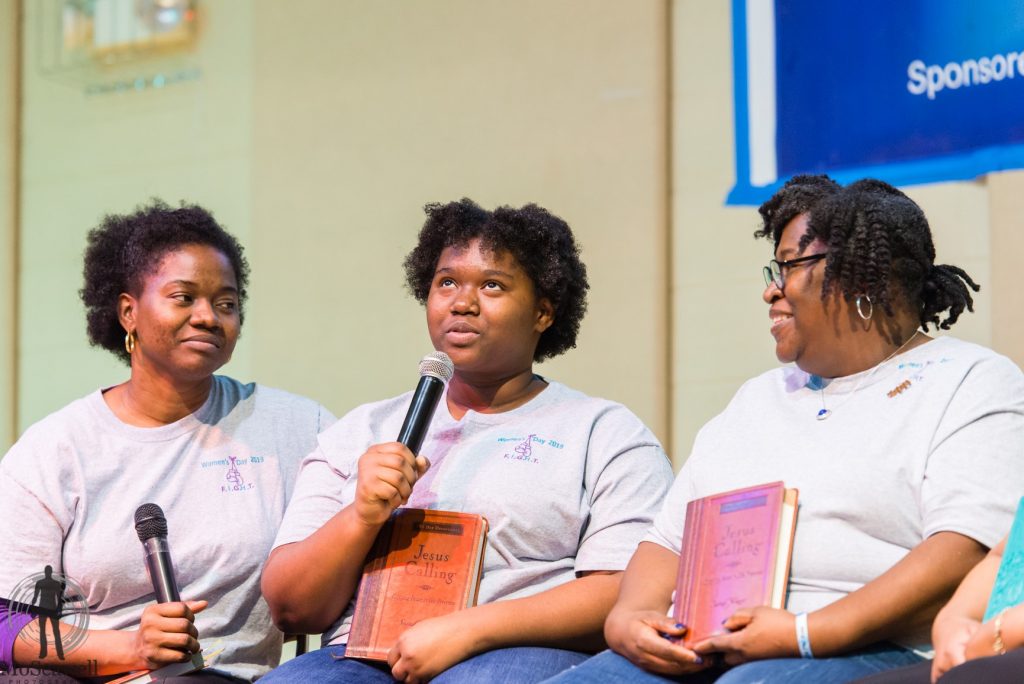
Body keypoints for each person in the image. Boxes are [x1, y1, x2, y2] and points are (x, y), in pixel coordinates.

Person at [543, 176, 1024, 684]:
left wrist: (808, 631)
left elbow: (964, 547)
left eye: (790, 267)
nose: (770, 289)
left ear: (863, 277)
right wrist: (628, 617)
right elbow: (667, 542)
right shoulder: (757, 398)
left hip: (874, 647)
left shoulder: (970, 379)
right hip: (705, 642)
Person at [260, 198, 674, 683]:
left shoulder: (602, 431)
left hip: (516, 649)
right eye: (447, 282)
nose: (462, 302)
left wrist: (469, 629)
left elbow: (627, 590)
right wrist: (361, 516)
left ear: (543, 312)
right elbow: (290, 608)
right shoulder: (359, 431)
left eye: (492, 285)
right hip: (358, 657)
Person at [0, 201, 334, 682]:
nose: (208, 317)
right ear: (128, 312)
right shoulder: (56, 449)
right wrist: (131, 648)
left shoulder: (297, 425)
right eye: (184, 298)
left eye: (226, 303)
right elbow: (8, 626)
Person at [853, 506, 1024, 683]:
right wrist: (955, 619)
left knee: (968, 678)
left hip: (1004, 649)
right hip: (985, 646)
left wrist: (1003, 630)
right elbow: (1002, 555)